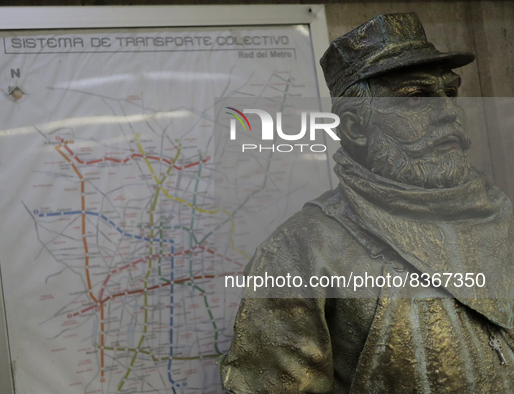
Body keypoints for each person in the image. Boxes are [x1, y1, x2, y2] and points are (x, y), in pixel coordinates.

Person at [218, 13, 514, 393]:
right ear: (355, 126)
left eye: (450, 94)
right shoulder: (301, 250)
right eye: (416, 98)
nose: (449, 113)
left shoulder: (501, 214)